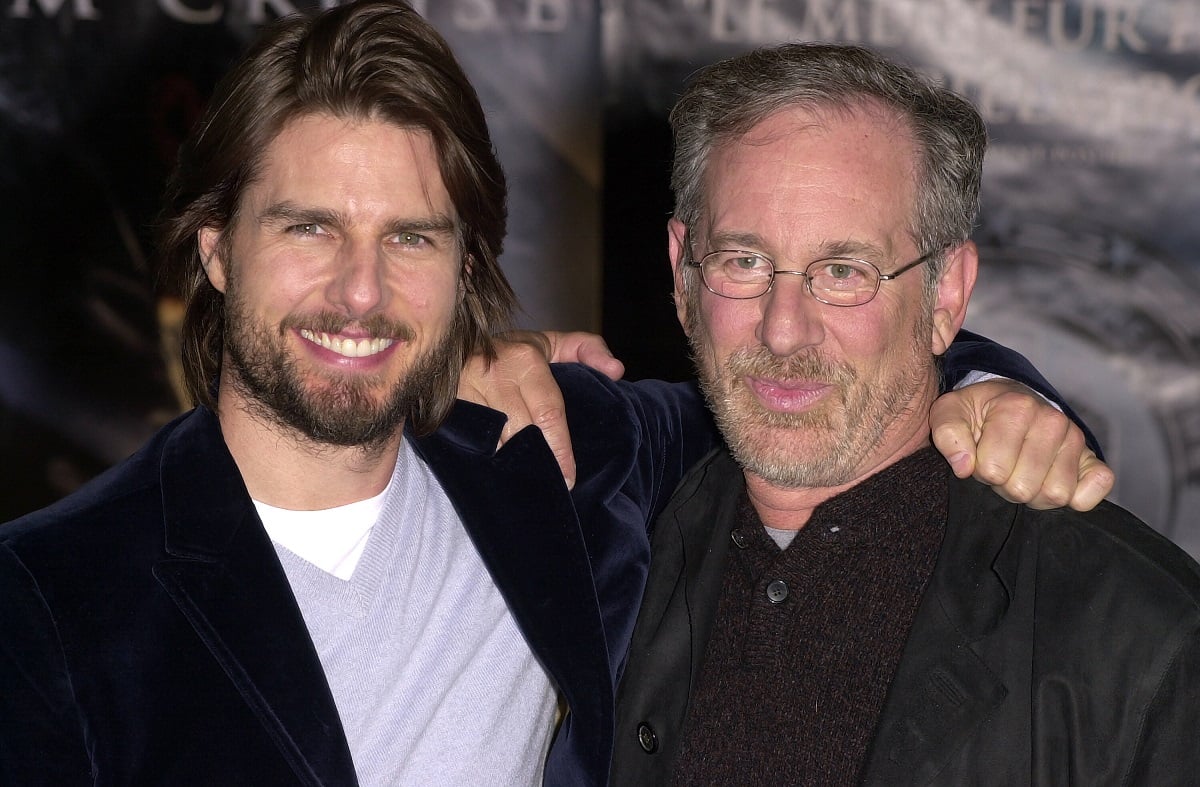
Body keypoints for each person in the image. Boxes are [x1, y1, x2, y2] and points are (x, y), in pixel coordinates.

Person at [0, 4, 1109, 785]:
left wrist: (991, 389)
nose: (360, 290)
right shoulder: (50, 595)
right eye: (308, 228)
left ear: (468, 270)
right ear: (216, 251)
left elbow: (808, 390)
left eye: (413, 238)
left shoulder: (562, 455)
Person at [610, 42, 1200, 786]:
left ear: (946, 295)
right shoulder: (610, 563)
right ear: (681, 274)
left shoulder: (1146, 642)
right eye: (744, 261)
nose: (783, 328)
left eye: (844, 272)